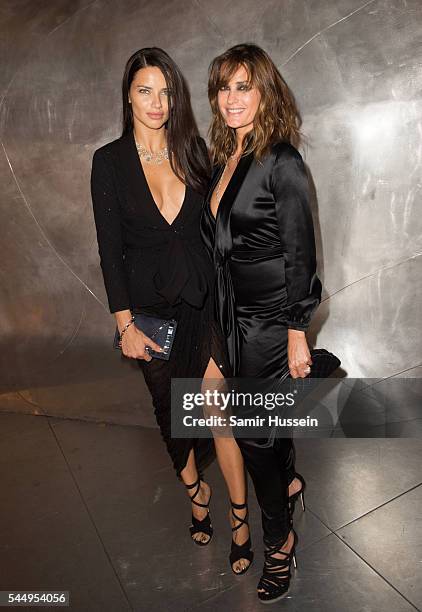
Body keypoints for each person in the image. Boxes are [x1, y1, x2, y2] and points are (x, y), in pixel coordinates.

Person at [90, 47, 253, 573]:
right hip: (151, 317)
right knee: (172, 419)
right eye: (145, 90)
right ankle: (196, 492)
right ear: (128, 95)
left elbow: (221, 225)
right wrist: (124, 326)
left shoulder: (193, 149)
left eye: (165, 91)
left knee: (216, 410)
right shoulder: (109, 162)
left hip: (202, 306)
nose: (157, 102)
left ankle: (240, 516)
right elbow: (108, 248)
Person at [200, 43, 322, 603]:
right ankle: (290, 482)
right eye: (224, 87)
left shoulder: (282, 160)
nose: (231, 98)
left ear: (264, 91)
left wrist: (298, 328)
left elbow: (301, 252)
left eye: (243, 86)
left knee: (251, 432)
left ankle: (280, 540)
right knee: (263, 427)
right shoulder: (232, 154)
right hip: (234, 317)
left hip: (272, 320)